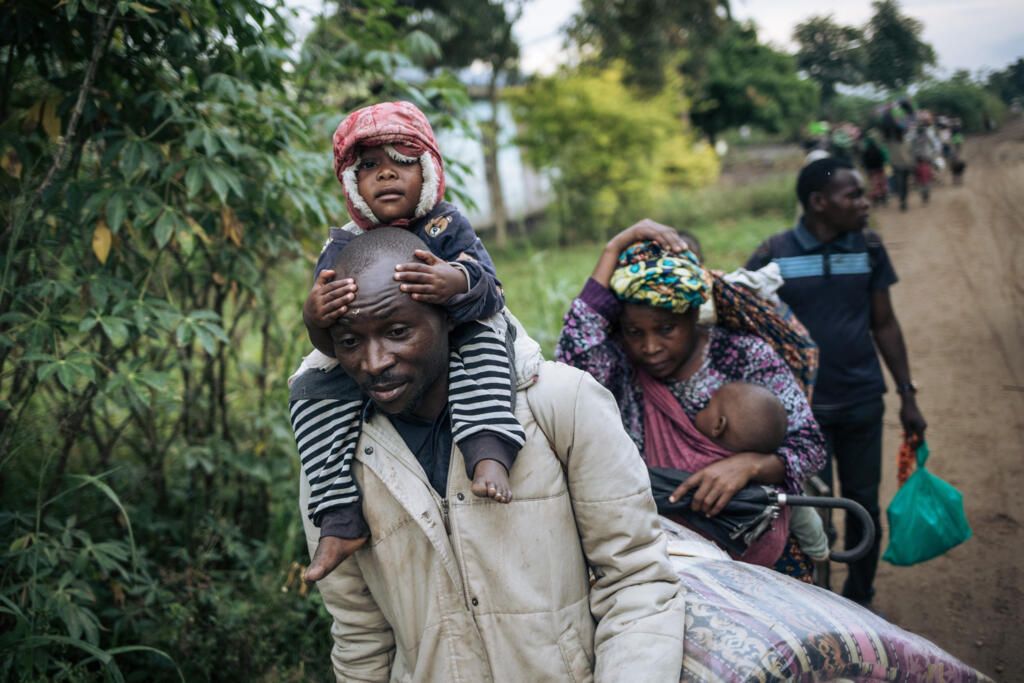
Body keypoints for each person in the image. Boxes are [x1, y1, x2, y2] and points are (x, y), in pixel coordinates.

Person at [298, 228, 686, 681]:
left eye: (398, 331)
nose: (375, 361)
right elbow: (361, 639)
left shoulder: (560, 404)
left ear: (448, 316)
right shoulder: (334, 469)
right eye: (349, 342)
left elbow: (636, 580)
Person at [290, 101, 524, 579]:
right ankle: (337, 514)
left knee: (485, 350)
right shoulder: (341, 246)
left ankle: (488, 449)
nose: (386, 174)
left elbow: (492, 292)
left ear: (429, 171)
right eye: (369, 165)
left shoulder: (446, 226)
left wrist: (457, 281)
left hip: (460, 329)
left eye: (403, 160)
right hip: (371, 348)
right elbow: (333, 340)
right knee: (308, 389)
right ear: (352, 184)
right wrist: (315, 316)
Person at [555, 221, 826, 580]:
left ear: (694, 316)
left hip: (753, 540)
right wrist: (614, 247)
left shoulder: (744, 355)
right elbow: (573, 354)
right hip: (660, 548)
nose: (650, 347)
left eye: (666, 329)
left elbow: (811, 446)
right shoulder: (620, 366)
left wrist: (752, 466)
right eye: (634, 332)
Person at [746, 157, 928, 609]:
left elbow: (884, 323)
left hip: (863, 402)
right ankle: (821, 607)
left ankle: (861, 598)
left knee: (863, 506)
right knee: (812, 514)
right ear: (819, 202)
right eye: (854, 195)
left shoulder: (869, 249)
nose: (866, 202)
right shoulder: (774, 255)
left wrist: (907, 394)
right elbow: (748, 327)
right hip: (801, 415)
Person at [695, 382, 830, 562]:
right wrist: (818, 551)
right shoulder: (777, 485)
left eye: (707, 406)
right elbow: (809, 522)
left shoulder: (700, 462)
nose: (698, 410)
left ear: (719, 425)